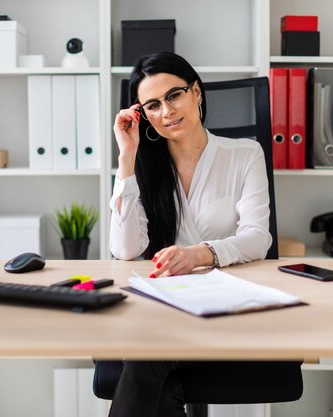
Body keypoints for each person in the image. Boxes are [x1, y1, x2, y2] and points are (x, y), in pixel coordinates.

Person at [107, 51, 273, 416]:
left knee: (144, 357)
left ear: (196, 92)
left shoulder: (245, 154)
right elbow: (125, 250)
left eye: (174, 95)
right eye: (152, 105)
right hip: (161, 309)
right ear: (142, 115)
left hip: (224, 308)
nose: (166, 111)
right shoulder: (142, 168)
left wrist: (199, 254)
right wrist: (126, 158)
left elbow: (258, 237)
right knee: (157, 371)